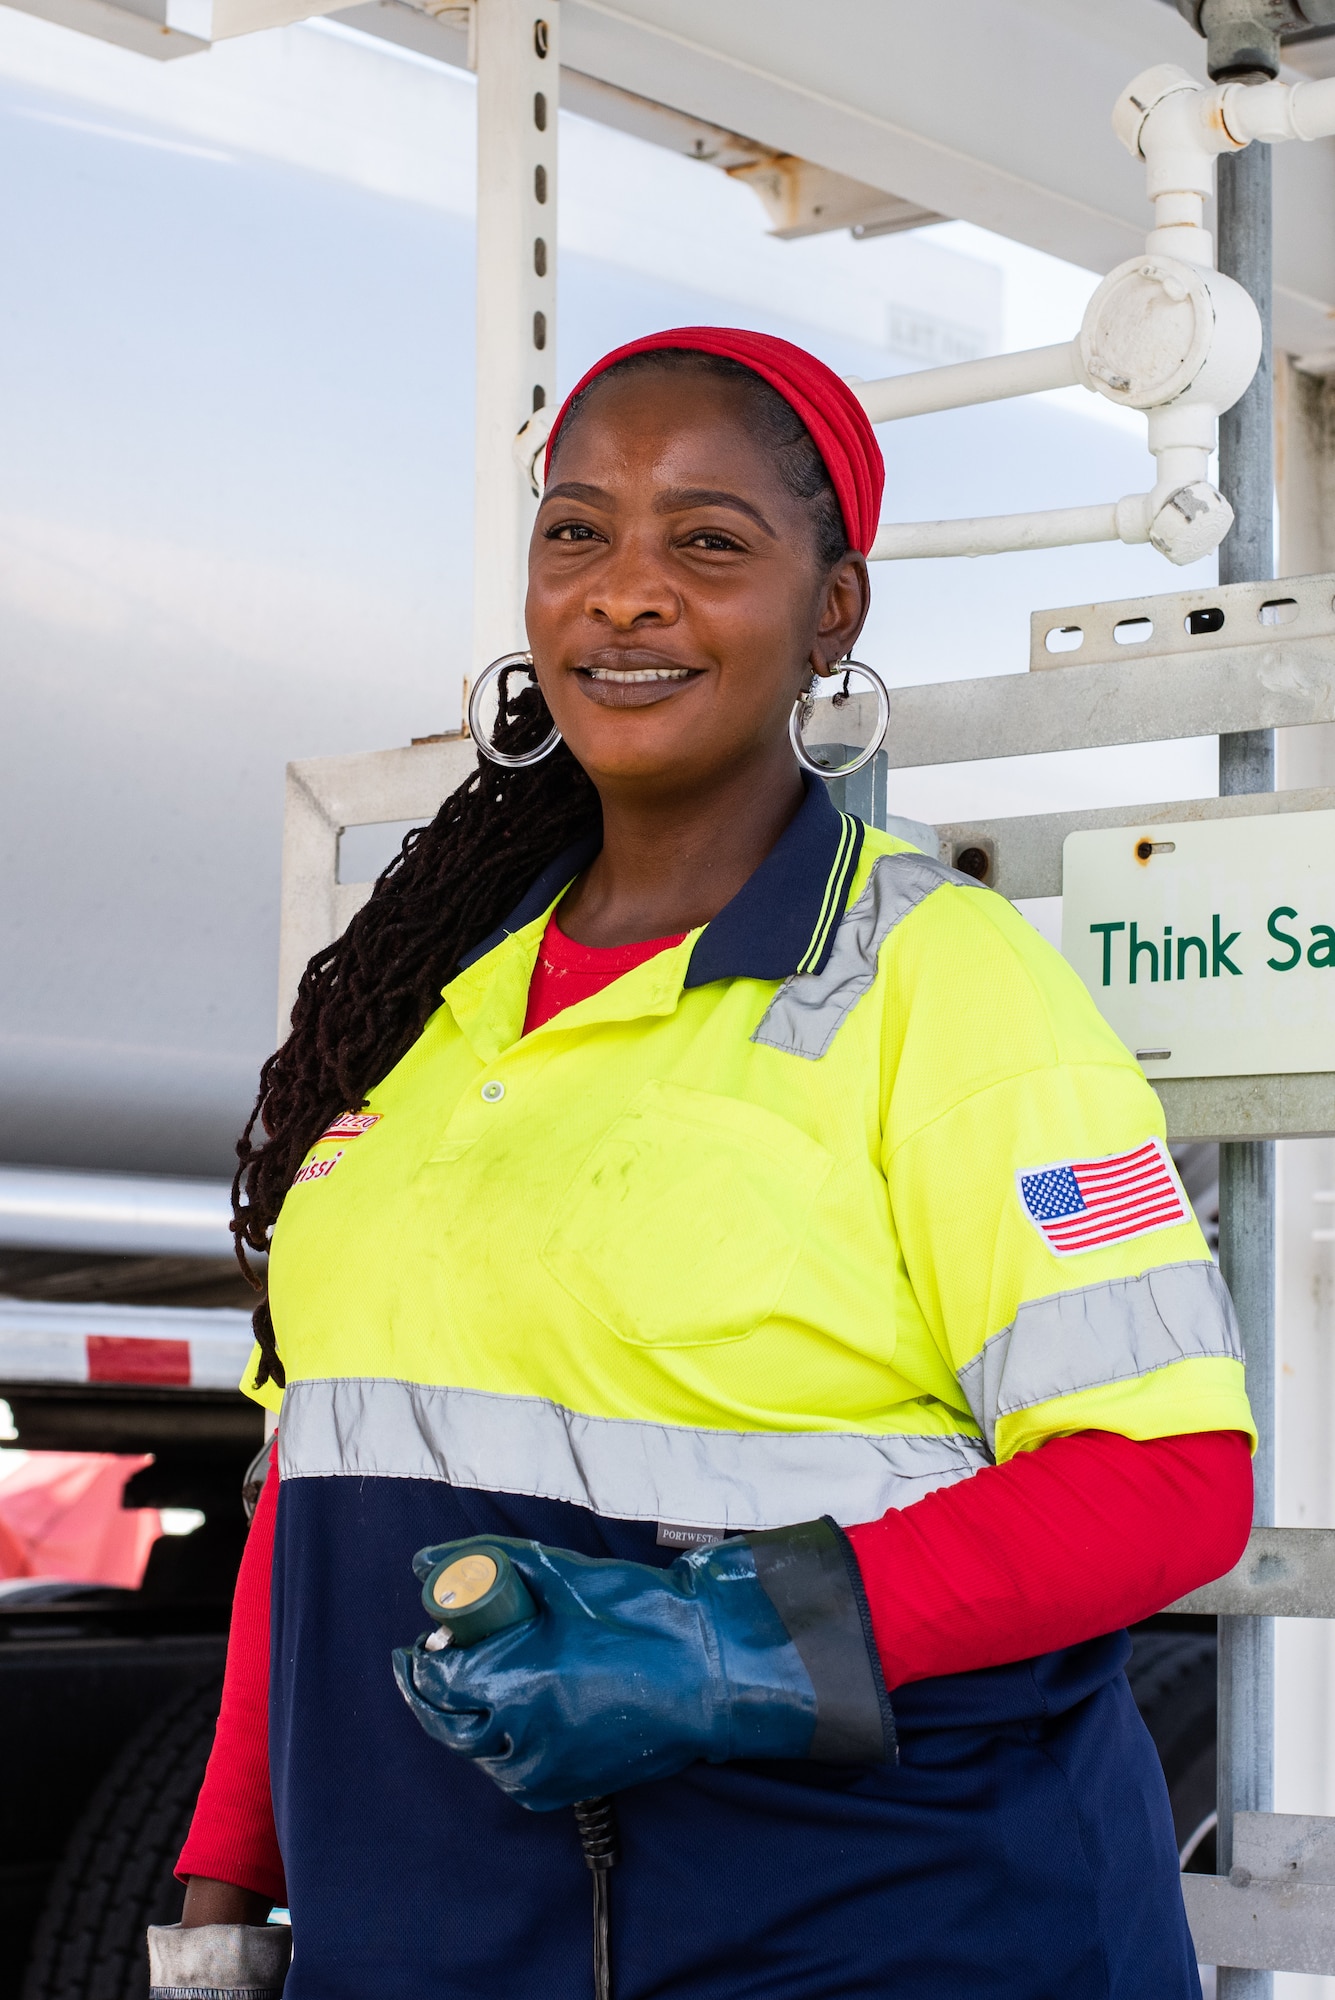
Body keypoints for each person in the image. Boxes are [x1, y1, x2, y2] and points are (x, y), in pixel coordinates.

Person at [168, 327, 1254, 2000]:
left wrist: (719, 1647)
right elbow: (314, 1483)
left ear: (834, 612)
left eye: (710, 543)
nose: (627, 593)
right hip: (441, 1941)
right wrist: (228, 1870)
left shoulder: (941, 987)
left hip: (875, 1937)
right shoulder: (423, 1016)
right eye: (579, 531)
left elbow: (1166, 1482)